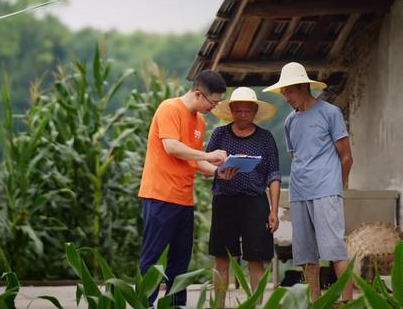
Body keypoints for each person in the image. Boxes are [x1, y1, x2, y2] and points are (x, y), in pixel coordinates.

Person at [138, 69, 236, 306]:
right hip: (160, 196)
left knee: (180, 260)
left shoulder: (199, 121)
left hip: (184, 199)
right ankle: (144, 303)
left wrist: (218, 171)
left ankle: (176, 304)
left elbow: (194, 160)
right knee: (152, 257)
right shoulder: (169, 108)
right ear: (198, 94)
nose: (214, 108)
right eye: (213, 102)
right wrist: (209, 154)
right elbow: (172, 147)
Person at [263, 62, 354, 301]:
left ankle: (346, 302)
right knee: (305, 254)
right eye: (283, 93)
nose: (285, 98)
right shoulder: (290, 122)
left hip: (326, 190)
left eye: (289, 91)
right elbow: (297, 156)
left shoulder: (330, 113)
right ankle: (314, 301)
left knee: (335, 248)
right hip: (299, 191)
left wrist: (338, 184)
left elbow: (346, 157)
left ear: (304, 86)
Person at [205, 87, 281, 308]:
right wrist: (220, 172)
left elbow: (274, 174)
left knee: (256, 258)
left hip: (255, 203)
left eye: (247, 111)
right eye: (238, 110)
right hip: (224, 200)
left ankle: (256, 304)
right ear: (231, 111)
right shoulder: (220, 134)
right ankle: (218, 305)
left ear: (255, 112)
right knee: (221, 257)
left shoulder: (265, 138)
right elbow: (208, 164)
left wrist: (274, 210)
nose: (243, 115)